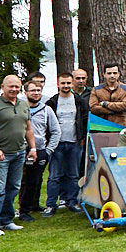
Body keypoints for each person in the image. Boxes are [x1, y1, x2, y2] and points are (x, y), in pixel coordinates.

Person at [0, 75, 36, 237]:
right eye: (11, 86)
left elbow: (28, 128)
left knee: (13, 187)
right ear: (2, 87)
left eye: (17, 86)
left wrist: (33, 148)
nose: (14, 89)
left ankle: (6, 220)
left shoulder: (23, 104)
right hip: (1, 155)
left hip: (19, 153)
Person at [45, 72, 87, 216]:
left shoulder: (79, 101)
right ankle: (51, 205)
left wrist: (82, 138)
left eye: (68, 83)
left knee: (73, 175)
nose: (66, 86)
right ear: (58, 84)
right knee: (54, 176)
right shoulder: (52, 102)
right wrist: (49, 142)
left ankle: (72, 202)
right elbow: (46, 123)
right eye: (63, 83)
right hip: (57, 145)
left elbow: (85, 120)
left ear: (72, 84)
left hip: (75, 143)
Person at [18, 79, 61, 221]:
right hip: (20, 150)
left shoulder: (46, 109)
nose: (36, 93)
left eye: (38, 91)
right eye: (32, 91)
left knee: (34, 180)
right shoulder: (19, 108)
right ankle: (20, 210)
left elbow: (56, 131)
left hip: (40, 151)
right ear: (25, 92)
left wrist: (48, 150)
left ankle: (31, 206)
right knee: (20, 181)